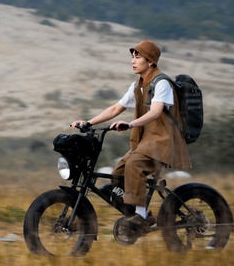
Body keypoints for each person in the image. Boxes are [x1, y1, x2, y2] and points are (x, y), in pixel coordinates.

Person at [70, 40, 191, 235]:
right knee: (117, 174)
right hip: (146, 143)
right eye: (132, 57)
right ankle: (138, 212)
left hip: (163, 142)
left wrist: (130, 124)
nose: (133, 61)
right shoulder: (138, 86)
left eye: (137, 57)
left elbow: (156, 112)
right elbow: (115, 108)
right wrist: (88, 122)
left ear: (150, 61)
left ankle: (140, 217)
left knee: (134, 165)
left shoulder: (162, 83)